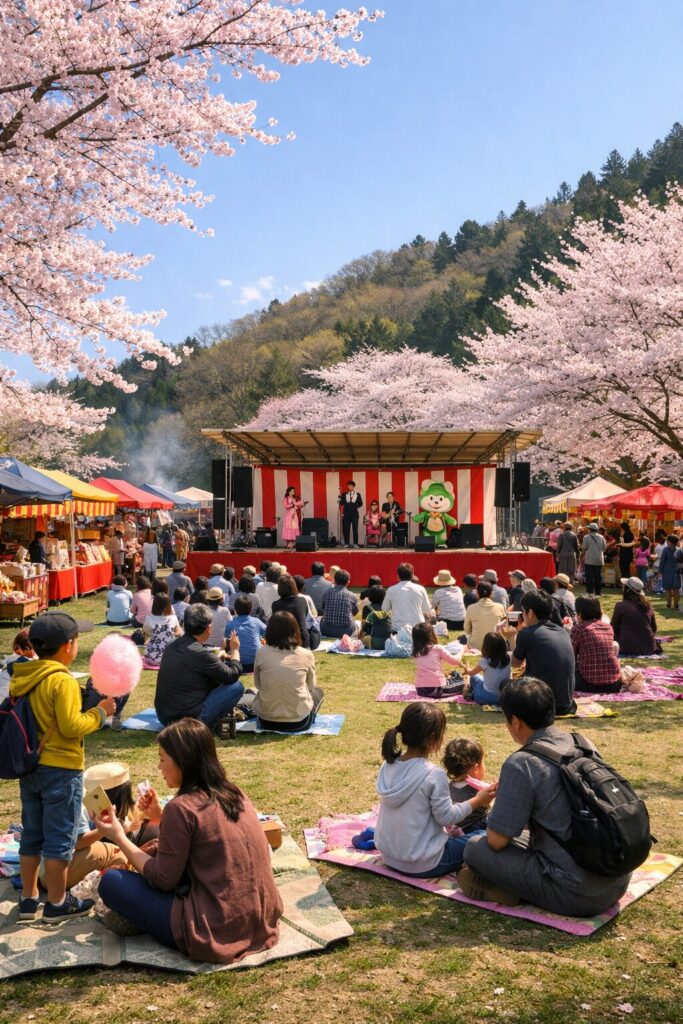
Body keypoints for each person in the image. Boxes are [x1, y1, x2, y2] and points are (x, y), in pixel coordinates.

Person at [95, 718, 283, 962]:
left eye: (163, 759)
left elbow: (162, 879)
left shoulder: (181, 807)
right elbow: (203, 836)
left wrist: (119, 836)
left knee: (112, 882)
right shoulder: (234, 792)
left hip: (215, 927)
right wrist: (160, 817)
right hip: (261, 916)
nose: (159, 767)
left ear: (183, 761)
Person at [460, 678, 632, 915]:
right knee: (525, 835)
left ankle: (514, 890)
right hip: (617, 876)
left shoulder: (522, 763)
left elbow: (497, 841)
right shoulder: (582, 742)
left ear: (516, 722)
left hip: (575, 893)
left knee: (474, 847)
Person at [11, 612, 116, 923]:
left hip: (30, 770)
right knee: (59, 839)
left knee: (31, 835)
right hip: (61, 771)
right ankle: (57, 903)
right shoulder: (62, 680)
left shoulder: (23, 676)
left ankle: (28, 900)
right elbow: (72, 726)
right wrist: (99, 712)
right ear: (67, 646)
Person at [373, 703, 496, 878]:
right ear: (433, 739)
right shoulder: (432, 774)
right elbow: (447, 817)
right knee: (487, 836)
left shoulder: (388, 764)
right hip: (424, 863)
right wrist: (478, 800)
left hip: (389, 856)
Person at [154, 604, 244, 730]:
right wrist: (235, 650)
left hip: (165, 716)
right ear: (209, 628)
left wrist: (217, 660)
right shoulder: (201, 653)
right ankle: (214, 720)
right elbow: (232, 675)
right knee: (237, 686)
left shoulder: (171, 645)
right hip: (189, 720)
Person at [252, 612, 324, 732]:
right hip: (299, 722)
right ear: (295, 631)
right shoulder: (306, 654)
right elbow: (311, 686)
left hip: (265, 721)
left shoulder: (261, 653)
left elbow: (258, 685)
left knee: (252, 693)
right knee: (318, 692)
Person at [510, 590, 576, 715]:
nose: (522, 616)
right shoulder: (562, 631)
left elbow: (515, 663)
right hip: (565, 703)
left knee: (505, 685)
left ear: (530, 613)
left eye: (523, 612)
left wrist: (511, 636)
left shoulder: (528, 633)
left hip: (540, 704)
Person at [570, 596, 621, 693]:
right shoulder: (608, 627)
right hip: (614, 683)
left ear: (579, 614)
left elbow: (570, 656)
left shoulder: (578, 629)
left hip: (589, 683)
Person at [443, 738, 490, 834]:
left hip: (454, 831)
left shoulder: (446, 788)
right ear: (476, 768)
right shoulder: (479, 791)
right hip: (476, 831)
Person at [412, 622, 464, 698]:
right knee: (467, 682)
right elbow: (455, 661)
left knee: (455, 675)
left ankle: (454, 676)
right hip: (437, 688)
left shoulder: (416, 652)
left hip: (420, 689)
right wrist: (462, 650)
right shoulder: (437, 648)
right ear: (431, 635)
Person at [611, 577, 658, 657]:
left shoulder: (620, 606)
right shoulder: (648, 606)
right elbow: (654, 628)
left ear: (627, 590)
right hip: (649, 648)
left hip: (626, 648)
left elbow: (613, 628)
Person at [461, 632, 511, 706]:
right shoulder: (508, 657)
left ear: (486, 646)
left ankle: (471, 693)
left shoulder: (485, 661)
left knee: (473, 678)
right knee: (480, 679)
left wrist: (466, 667)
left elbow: (471, 673)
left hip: (487, 696)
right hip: (504, 697)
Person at [382, 562, 432, 632]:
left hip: (398, 630)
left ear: (397, 576)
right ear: (413, 575)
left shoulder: (391, 590)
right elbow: (427, 610)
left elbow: (384, 609)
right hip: (418, 630)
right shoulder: (421, 589)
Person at [271, 574, 313, 649]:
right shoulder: (302, 601)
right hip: (302, 641)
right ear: (294, 586)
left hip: (282, 642)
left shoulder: (275, 605)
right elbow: (306, 618)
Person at [463, 582, 505, 651]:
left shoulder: (470, 608)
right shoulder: (500, 607)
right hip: (496, 646)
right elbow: (504, 627)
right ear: (491, 593)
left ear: (477, 594)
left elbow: (467, 630)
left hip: (476, 647)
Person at [228, 596, 267, 671]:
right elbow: (268, 633)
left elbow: (226, 640)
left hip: (238, 661)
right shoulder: (256, 621)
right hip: (256, 660)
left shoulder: (230, 624)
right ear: (250, 609)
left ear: (235, 610)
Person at [143, 594, 182, 666]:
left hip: (152, 658)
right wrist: (168, 634)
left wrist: (160, 635)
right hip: (171, 658)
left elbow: (147, 636)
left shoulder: (149, 618)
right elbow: (179, 632)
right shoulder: (173, 618)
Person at [320, 569, 359, 638]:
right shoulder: (353, 596)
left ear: (334, 580)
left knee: (321, 619)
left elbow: (323, 608)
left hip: (326, 630)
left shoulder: (326, 592)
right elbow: (355, 612)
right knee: (356, 624)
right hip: (346, 632)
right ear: (348, 582)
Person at [360, 585, 392, 650]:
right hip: (390, 641)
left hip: (375, 641)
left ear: (370, 596)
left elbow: (364, 628)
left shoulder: (367, 608)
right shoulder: (387, 608)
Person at [582, 523, 607, 596]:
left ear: (590, 529)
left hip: (589, 559)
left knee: (589, 576)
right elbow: (604, 548)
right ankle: (598, 592)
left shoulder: (586, 537)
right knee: (598, 576)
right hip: (599, 559)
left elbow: (584, 547)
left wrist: (582, 555)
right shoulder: (601, 537)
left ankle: (589, 591)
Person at [658, 534, 681, 611]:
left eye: (667, 540)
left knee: (667, 589)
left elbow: (662, 562)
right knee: (676, 589)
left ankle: (668, 604)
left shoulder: (666, 550)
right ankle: (676, 605)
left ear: (670, 542)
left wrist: (660, 571)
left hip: (667, 571)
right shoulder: (679, 550)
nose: (666, 541)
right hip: (677, 572)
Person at [339, 479, 363, 548]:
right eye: (349, 486)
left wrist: (356, 506)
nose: (350, 487)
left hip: (354, 514)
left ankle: (355, 543)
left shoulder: (357, 494)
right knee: (346, 528)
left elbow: (361, 503)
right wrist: (340, 496)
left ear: (353, 486)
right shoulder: (344, 494)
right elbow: (341, 503)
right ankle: (346, 543)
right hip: (346, 514)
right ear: (347, 486)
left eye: (351, 486)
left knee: (355, 529)